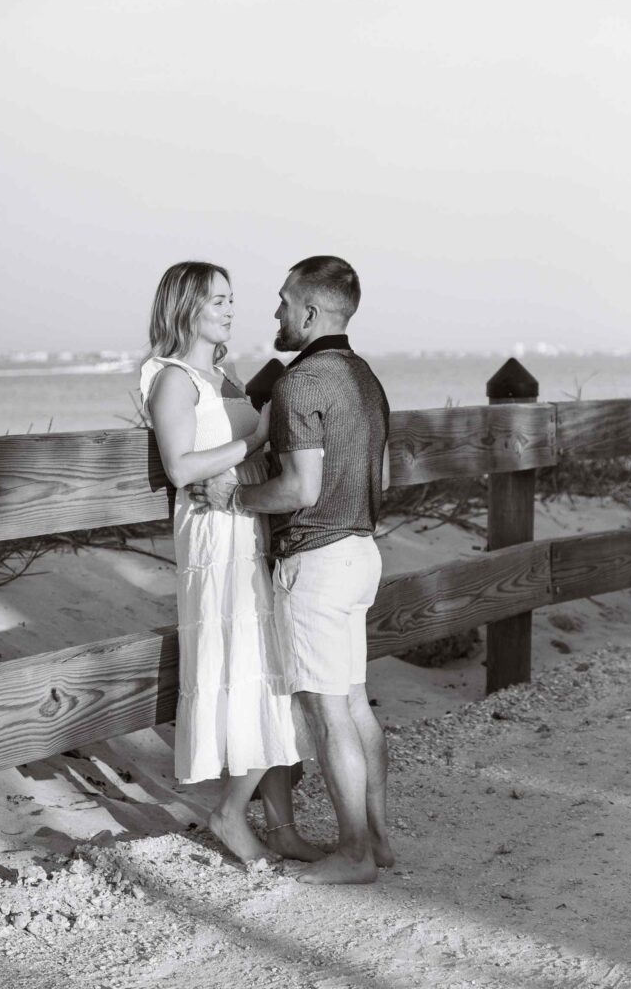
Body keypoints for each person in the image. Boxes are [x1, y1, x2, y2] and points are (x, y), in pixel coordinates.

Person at [193, 256, 393, 884]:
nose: (275, 313)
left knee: (328, 714)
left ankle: (355, 854)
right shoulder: (366, 378)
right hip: (361, 553)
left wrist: (234, 498)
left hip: (318, 563)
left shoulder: (300, 383)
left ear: (309, 312)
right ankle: (378, 840)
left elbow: (299, 489)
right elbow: (377, 476)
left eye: (283, 301)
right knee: (354, 704)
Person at [140, 261, 321, 865]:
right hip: (214, 534)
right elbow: (180, 468)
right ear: (185, 307)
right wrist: (258, 437)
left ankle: (282, 827)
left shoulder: (223, 374)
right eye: (218, 300)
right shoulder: (173, 379)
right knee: (249, 665)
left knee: (269, 671)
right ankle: (229, 813)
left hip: (247, 523)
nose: (230, 309)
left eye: (231, 299)